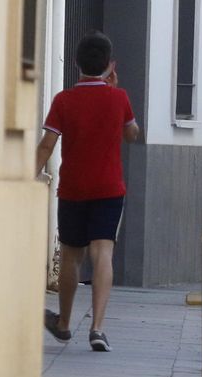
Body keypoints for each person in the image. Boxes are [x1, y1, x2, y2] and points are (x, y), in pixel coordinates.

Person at [36, 32, 141, 351]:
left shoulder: (64, 100)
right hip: (110, 188)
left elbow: (47, 144)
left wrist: (29, 176)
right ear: (111, 65)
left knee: (71, 256)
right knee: (102, 252)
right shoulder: (119, 98)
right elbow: (132, 135)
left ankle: (64, 323)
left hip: (73, 188)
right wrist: (115, 95)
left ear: (77, 64)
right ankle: (97, 328)